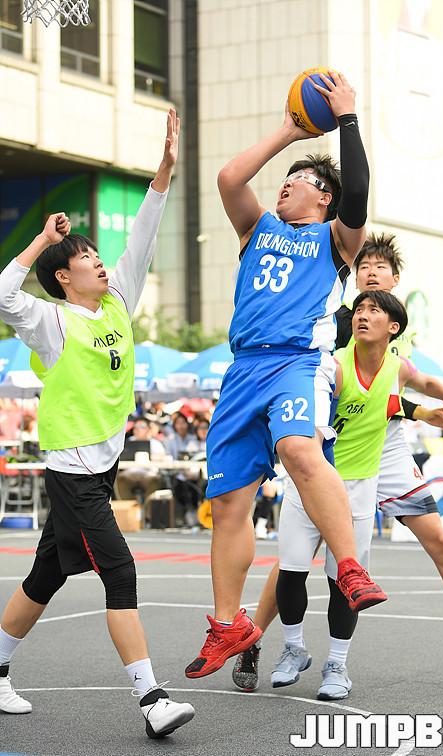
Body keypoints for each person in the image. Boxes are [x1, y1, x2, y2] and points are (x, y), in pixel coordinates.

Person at [233, 233, 443, 694]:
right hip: (339, 446)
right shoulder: (340, 324)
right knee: (296, 556)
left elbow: (401, 382)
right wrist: (421, 410)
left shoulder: (396, 330)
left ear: (395, 279)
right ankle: (255, 640)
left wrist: (440, 403)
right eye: (362, 266)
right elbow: (360, 394)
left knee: (438, 539)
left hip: (386, 451)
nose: (369, 272)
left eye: (378, 267)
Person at [185, 71, 387, 680]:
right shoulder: (257, 228)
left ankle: (349, 567)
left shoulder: (336, 240)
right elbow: (229, 178)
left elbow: (358, 195)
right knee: (228, 503)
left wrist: (346, 118)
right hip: (243, 367)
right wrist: (288, 133)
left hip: (296, 362)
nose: (284, 185)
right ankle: (228, 623)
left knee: (300, 449)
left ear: (323, 198)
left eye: (296, 180)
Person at [0, 109, 195, 739]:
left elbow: (144, 232)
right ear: (64, 277)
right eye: (85, 257)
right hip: (73, 468)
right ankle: (152, 700)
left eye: (95, 253)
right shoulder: (52, 322)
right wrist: (40, 240)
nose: (99, 261)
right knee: (121, 571)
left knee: (47, 574)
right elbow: (3, 293)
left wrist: (164, 168)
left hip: (100, 465)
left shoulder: (116, 302)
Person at [272, 291, 443, 699]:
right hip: (311, 481)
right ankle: (293, 648)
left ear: (393, 327)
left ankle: (337, 665)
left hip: (358, 487)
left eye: (374, 310)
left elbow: (422, 384)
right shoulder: (334, 367)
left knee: (343, 580)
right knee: (291, 571)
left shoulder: (397, 367)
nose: (362, 315)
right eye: (359, 309)